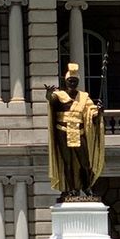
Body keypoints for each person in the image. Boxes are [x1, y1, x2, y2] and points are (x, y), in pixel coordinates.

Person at [46, 62, 105, 199]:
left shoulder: (83, 97)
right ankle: (70, 189)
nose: (72, 83)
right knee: (67, 162)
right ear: (66, 81)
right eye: (70, 80)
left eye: (75, 81)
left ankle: (87, 187)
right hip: (63, 131)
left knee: (85, 163)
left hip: (79, 131)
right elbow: (51, 101)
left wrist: (99, 112)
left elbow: (92, 115)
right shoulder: (59, 95)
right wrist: (49, 94)